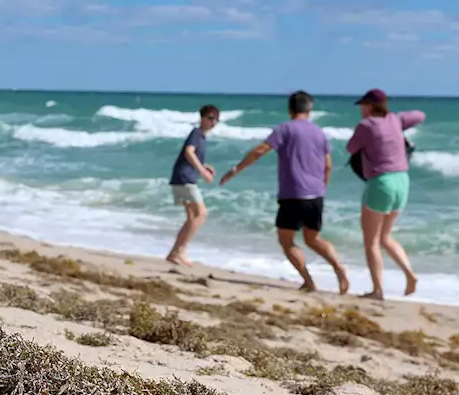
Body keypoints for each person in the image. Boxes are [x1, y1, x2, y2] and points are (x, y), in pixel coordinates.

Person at [217, 91, 350, 294]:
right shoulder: (318, 132)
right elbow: (328, 165)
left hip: (293, 195)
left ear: (290, 109)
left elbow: (260, 150)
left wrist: (235, 170)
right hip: (315, 195)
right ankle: (339, 268)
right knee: (313, 239)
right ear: (310, 109)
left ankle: (308, 281)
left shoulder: (284, 129)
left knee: (286, 240)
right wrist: (321, 188)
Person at [345, 89, 424, 300]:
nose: (361, 109)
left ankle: (377, 290)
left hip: (381, 183)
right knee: (386, 236)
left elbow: (351, 148)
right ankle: (410, 274)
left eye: (363, 105)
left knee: (371, 241)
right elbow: (420, 115)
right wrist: (395, 119)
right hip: (402, 181)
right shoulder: (395, 120)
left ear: (370, 106)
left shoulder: (366, 126)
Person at [165, 105, 220, 266]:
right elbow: (189, 152)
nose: (213, 122)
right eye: (210, 118)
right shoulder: (196, 133)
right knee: (201, 214)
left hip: (181, 178)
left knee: (191, 217)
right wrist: (202, 170)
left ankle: (177, 252)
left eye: (216, 119)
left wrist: (205, 165)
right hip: (184, 179)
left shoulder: (201, 136)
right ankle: (177, 251)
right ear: (201, 118)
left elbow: (192, 155)